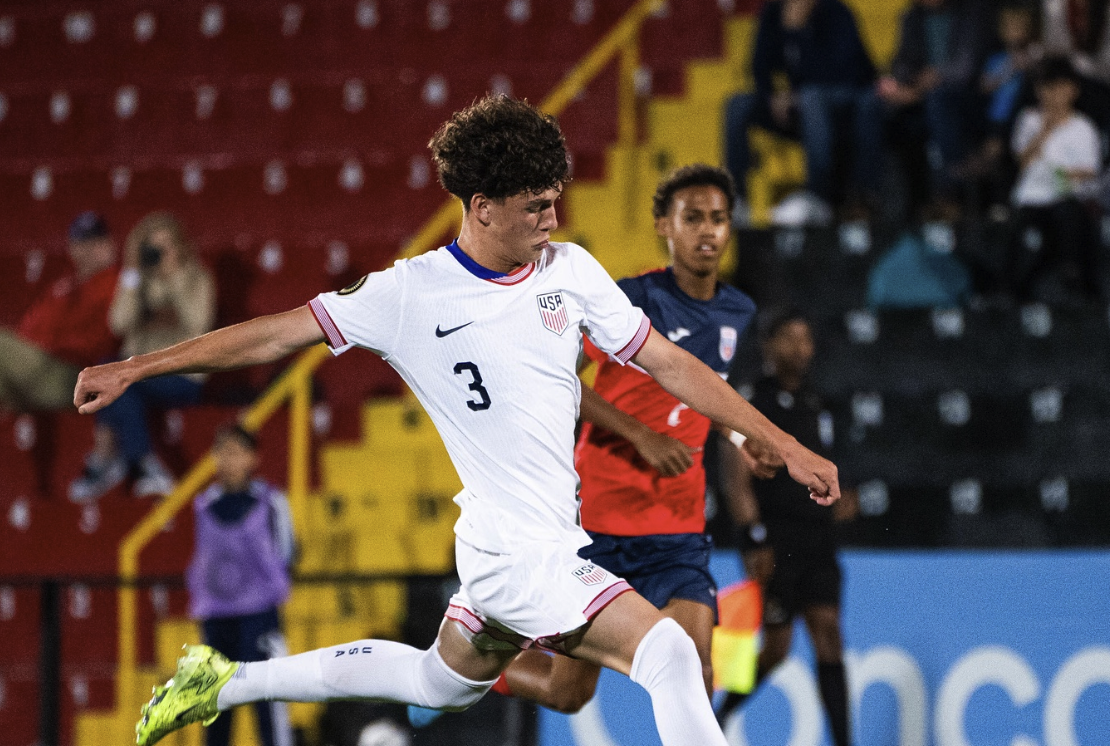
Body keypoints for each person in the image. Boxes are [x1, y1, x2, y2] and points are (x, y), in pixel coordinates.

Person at [73, 95, 839, 746]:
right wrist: (138, 367)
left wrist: (781, 443)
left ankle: (227, 681)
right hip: (518, 554)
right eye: (535, 204)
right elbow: (274, 332)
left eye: (555, 198)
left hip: (509, 544)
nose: (553, 216)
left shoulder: (569, 272)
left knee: (437, 683)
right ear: (481, 208)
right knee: (668, 651)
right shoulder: (412, 294)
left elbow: (670, 364)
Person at [446, 164, 772, 718]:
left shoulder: (739, 311)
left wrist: (742, 434)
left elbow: (708, 394)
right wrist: (640, 435)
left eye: (718, 219)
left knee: (696, 668)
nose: (708, 231)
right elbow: (559, 380)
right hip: (598, 520)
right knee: (568, 694)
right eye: (692, 218)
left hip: (677, 524)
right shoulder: (628, 300)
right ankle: (469, 666)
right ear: (662, 226)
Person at [717, 309, 857, 746]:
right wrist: (752, 537)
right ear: (769, 346)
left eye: (806, 338)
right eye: (789, 338)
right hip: (776, 541)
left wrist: (843, 496)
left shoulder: (821, 405)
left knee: (829, 632)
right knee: (776, 651)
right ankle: (718, 718)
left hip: (818, 541)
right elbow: (734, 477)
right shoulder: (751, 402)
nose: (799, 348)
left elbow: (830, 464)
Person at [70, 212, 217, 501]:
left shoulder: (197, 278)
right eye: (152, 247)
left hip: (182, 374)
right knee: (108, 374)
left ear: (180, 247)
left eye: (166, 245)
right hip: (139, 373)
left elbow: (198, 323)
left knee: (121, 380)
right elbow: (118, 323)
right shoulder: (137, 281)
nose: (159, 253)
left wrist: (173, 278)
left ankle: (117, 459)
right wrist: (133, 273)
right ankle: (139, 461)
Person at [723, 0, 882, 224]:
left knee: (811, 97)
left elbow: (844, 73)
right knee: (738, 104)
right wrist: (773, 96)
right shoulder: (773, 13)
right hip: (799, 105)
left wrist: (799, 33)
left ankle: (818, 197)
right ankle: (738, 200)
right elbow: (759, 67)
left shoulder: (837, 12)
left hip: (842, 103)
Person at [186, 423, 296, 746]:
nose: (227, 460)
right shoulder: (203, 504)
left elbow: (288, 551)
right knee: (215, 710)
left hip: (259, 617)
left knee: (269, 702)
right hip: (216, 620)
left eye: (235, 452)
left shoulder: (272, 501)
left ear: (253, 458)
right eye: (222, 452)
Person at [878, 0, 996, 213]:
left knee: (938, 101)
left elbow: (966, 67)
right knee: (880, 109)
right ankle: (889, 204)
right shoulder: (912, 17)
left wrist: (929, 82)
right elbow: (901, 61)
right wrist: (901, 84)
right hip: (922, 95)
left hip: (967, 96)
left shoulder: (973, 12)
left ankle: (951, 191)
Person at [0, 211, 118, 412]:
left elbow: (102, 343)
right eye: (82, 244)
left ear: (110, 245)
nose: (90, 250)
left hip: (77, 375)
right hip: (43, 369)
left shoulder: (118, 284)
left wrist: (52, 346)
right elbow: (29, 328)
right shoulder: (63, 288)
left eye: (97, 242)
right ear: (72, 249)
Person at [1009, 56, 1102, 301]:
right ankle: (1012, 289)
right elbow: (1022, 161)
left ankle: (1072, 276)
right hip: (1031, 198)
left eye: (1057, 87)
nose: (1051, 95)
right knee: (1018, 228)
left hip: (1065, 196)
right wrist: (1044, 131)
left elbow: (1090, 170)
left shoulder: (1083, 127)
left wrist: (1060, 174)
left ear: (1072, 90)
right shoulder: (1029, 120)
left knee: (1068, 215)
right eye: (1045, 88)